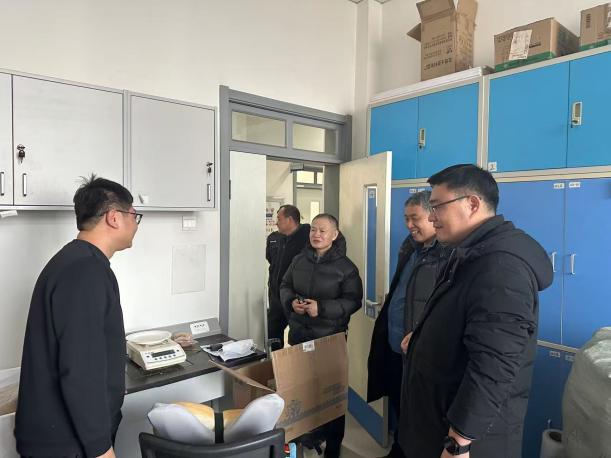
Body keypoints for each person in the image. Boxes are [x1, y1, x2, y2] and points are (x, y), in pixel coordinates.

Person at [399, 164, 553, 458]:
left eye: (437, 207)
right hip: (437, 422)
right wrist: (422, 338)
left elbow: (494, 365)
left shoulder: (501, 268)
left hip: (468, 441)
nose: (431, 217)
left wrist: (458, 442)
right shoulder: (471, 253)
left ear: (471, 204)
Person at [15, 176, 141, 458]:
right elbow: (81, 370)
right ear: (114, 217)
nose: (136, 224)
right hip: (67, 443)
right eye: (134, 215)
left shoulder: (78, 262)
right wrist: (100, 448)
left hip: (67, 437)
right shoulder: (85, 272)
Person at [367, 191, 448, 458]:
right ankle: (399, 448)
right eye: (406, 218)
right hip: (395, 345)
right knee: (399, 402)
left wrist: (422, 335)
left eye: (415, 218)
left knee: (419, 412)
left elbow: (444, 308)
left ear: (433, 216)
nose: (409, 225)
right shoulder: (411, 247)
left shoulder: (446, 254)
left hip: (419, 351)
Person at [280, 213, 363, 458]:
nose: (316, 234)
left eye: (322, 231)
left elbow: (353, 301)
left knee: (332, 396)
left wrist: (322, 308)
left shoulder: (346, 268)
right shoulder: (299, 260)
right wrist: (291, 302)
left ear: (334, 235)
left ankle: (333, 446)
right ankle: (308, 435)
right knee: (301, 393)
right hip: (299, 337)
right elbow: (284, 285)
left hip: (329, 340)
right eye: (313, 229)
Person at [266, 204, 310, 351]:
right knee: (273, 336)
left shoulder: (307, 238)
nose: (276, 222)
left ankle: (294, 365)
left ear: (290, 220)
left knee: (298, 340)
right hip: (276, 298)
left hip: (296, 299)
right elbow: (270, 260)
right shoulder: (274, 238)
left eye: (279, 219)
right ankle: (275, 364)